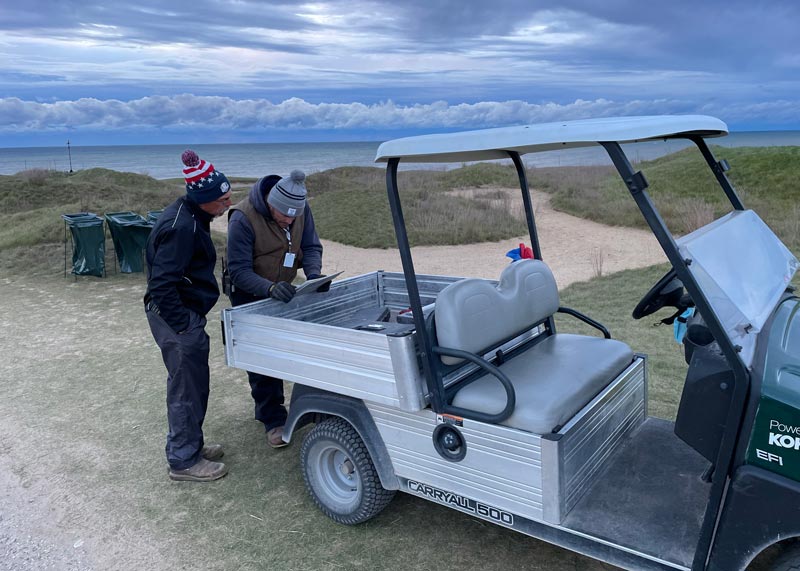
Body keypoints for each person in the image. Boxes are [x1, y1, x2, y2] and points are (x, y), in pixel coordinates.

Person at [143, 149, 233, 482]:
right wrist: (183, 325)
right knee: (185, 388)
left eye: (228, 197)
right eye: (222, 200)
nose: (226, 205)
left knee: (195, 384)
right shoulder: (182, 226)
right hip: (176, 319)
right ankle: (183, 461)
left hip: (184, 314)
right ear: (204, 198)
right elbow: (162, 283)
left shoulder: (194, 215)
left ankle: (191, 446)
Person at [226, 169, 324, 448]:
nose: (290, 220)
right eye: (284, 216)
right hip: (249, 293)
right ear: (271, 203)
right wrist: (268, 288)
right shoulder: (242, 218)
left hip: (285, 289)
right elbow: (238, 270)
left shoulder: (301, 212)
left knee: (292, 347)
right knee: (261, 357)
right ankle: (272, 419)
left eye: (295, 216)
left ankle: (308, 406)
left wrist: (314, 275)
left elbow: (311, 246)